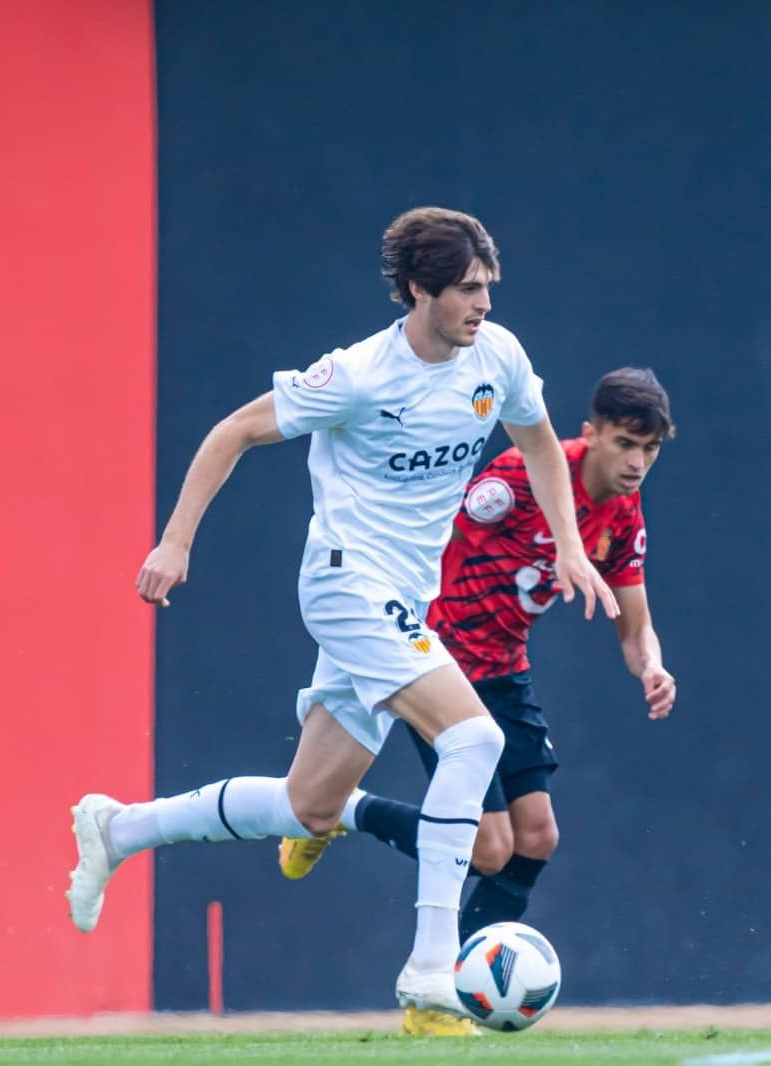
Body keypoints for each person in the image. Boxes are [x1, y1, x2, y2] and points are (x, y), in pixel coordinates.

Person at [63, 207, 617, 1032]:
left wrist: (570, 547)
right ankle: (432, 969)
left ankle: (120, 828)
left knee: (310, 807)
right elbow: (234, 431)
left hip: (399, 598)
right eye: (467, 289)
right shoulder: (358, 375)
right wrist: (175, 543)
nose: (483, 305)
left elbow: (539, 440)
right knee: (475, 738)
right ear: (419, 290)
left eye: (489, 288)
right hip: (346, 585)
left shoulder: (495, 357)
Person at [276, 367, 676, 1035]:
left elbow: (633, 623)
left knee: (538, 838)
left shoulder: (624, 513)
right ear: (591, 434)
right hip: (439, 658)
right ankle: (345, 813)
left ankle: (449, 1000)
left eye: (650, 449)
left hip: (504, 669)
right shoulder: (516, 481)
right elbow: (424, 540)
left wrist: (652, 668)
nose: (637, 462)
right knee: (490, 850)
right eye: (625, 444)